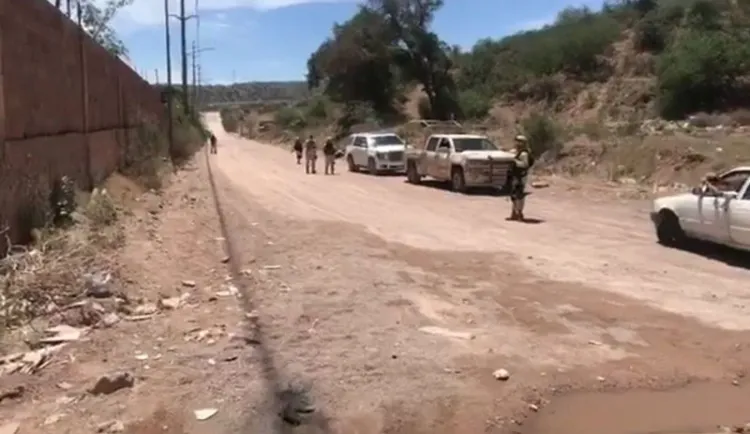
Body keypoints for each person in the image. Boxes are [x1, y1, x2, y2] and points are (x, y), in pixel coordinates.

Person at [508, 135, 534, 221]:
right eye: (517, 141)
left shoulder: (524, 154)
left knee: (519, 196)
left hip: (521, 177)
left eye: (520, 141)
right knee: (513, 196)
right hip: (514, 176)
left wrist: (514, 161)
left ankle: (519, 213)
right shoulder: (514, 152)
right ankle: (514, 212)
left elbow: (524, 165)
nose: (518, 143)